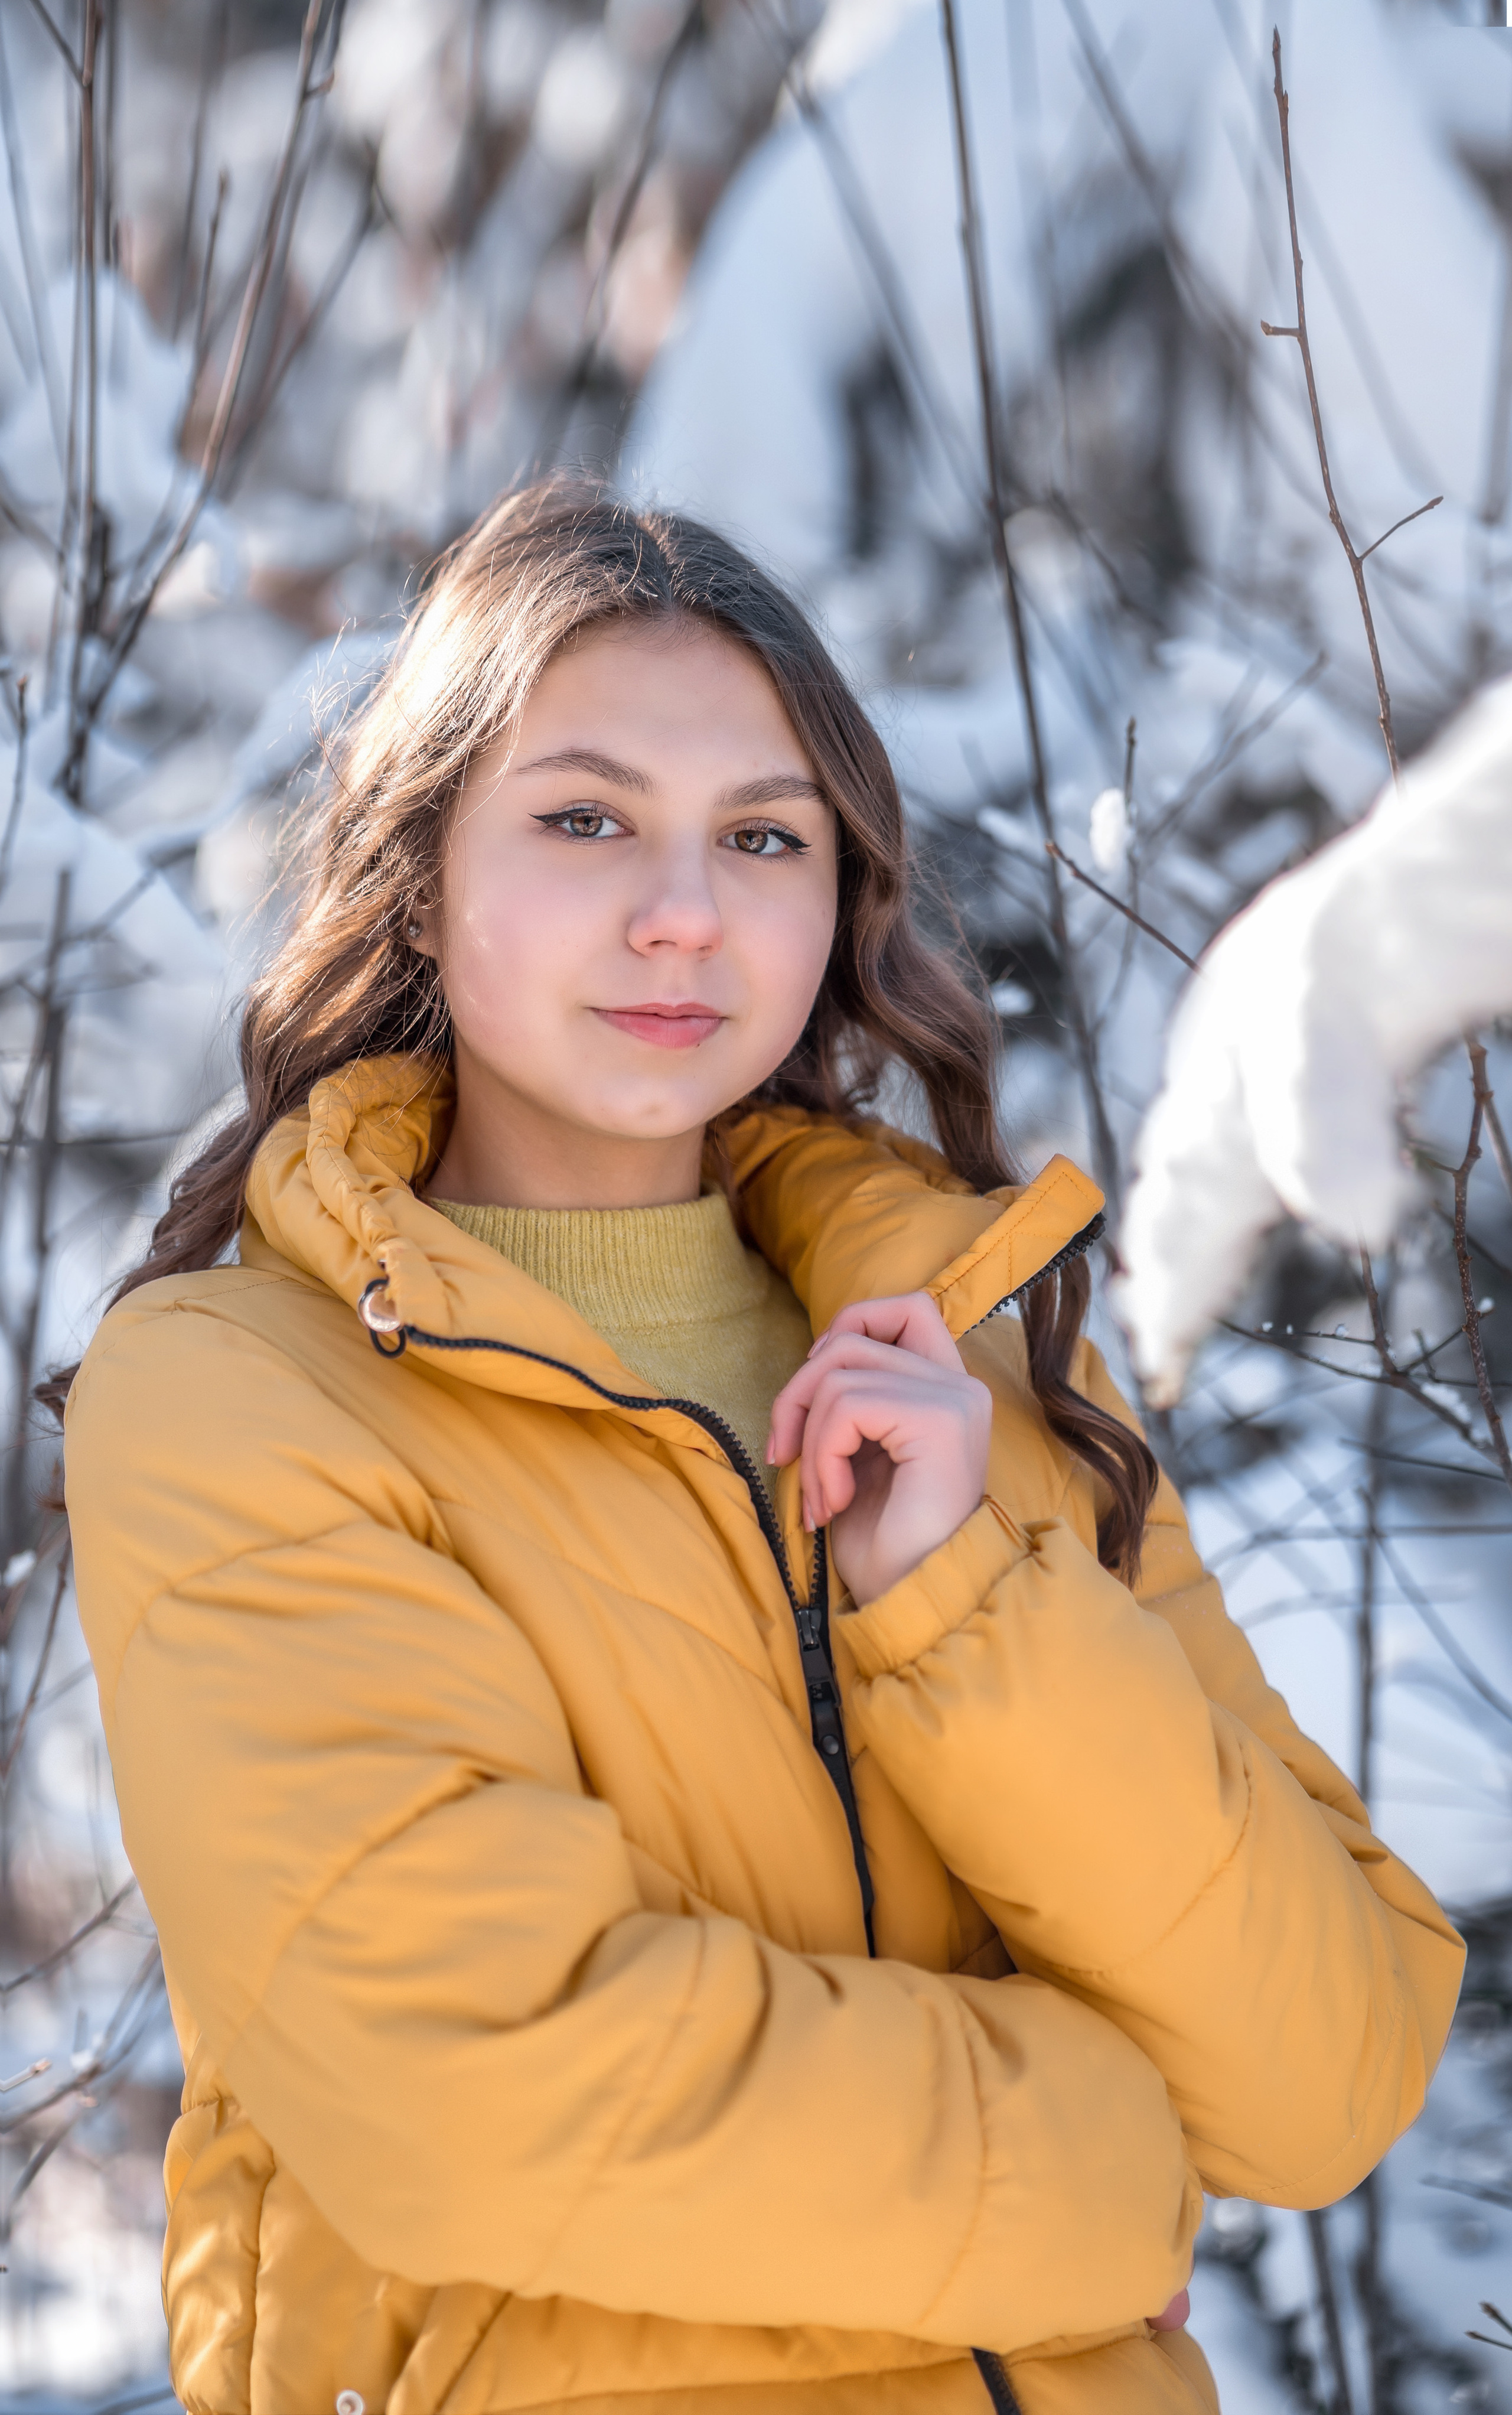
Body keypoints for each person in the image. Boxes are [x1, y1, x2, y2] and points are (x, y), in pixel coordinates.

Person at [63, 481, 1462, 2415]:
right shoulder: (242, 1398)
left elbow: (1333, 2063)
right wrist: (1108, 2166)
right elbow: (488, 2095)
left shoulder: (964, 1360)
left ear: (840, 897)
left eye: (762, 837)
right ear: (417, 866)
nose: (683, 911)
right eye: (583, 820)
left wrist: (963, 1603)